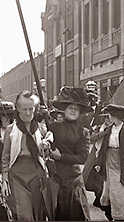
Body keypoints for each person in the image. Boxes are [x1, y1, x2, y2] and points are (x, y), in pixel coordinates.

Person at [0, 90, 50, 221]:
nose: (28, 113)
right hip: (17, 176)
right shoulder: (11, 130)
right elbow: (5, 157)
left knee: (38, 213)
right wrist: (4, 180)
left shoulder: (41, 129)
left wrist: (46, 148)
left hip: (37, 174)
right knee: (25, 215)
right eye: (24, 109)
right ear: (17, 108)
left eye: (31, 109)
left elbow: (47, 155)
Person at [49, 86, 92, 221]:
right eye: (70, 107)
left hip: (74, 180)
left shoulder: (83, 132)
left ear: (80, 112)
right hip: (56, 178)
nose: (73, 110)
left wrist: (61, 156)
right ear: (64, 109)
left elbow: (83, 157)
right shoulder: (53, 127)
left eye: (76, 108)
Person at [83, 111, 113, 220]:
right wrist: (103, 133)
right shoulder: (99, 128)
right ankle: (98, 196)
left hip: (108, 155)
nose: (108, 120)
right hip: (96, 153)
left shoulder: (115, 129)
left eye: (110, 118)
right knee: (94, 176)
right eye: (106, 118)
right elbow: (92, 138)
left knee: (104, 178)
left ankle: (102, 199)